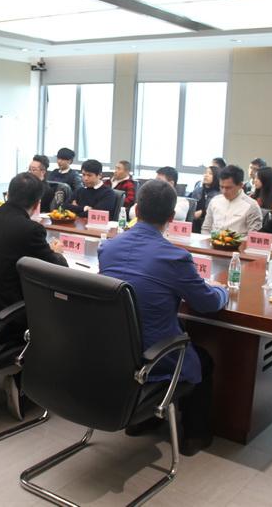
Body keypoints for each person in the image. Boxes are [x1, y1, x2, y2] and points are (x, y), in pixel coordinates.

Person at [99, 180, 228, 455]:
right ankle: (194, 436)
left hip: (113, 351)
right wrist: (222, 291)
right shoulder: (175, 257)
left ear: (136, 210)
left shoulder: (108, 248)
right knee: (203, 360)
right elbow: (207, 304)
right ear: (171, 218)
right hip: (153, 356)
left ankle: (143, 420)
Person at [0, 172, 68, 313]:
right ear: (37, 204)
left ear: (8, 195)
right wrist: (56, 253)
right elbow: (58, 270)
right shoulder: (31, 229)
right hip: (8, 309)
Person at [201, 165, 262, 235]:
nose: (224, 191)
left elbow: (253, 236)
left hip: (238, 241)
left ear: (240, 185)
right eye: (221, 187)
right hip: (212, 240)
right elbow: (206, 228)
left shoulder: (251, 206)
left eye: (228, 188)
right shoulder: (215, 201)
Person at [190, 166, 220, 233]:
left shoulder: (219, 194)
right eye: (206, 173)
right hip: (194, 225)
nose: (206, 175)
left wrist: (203, 213)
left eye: (210, 173)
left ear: (216, 177)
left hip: (210, 227)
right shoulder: (197, 190)